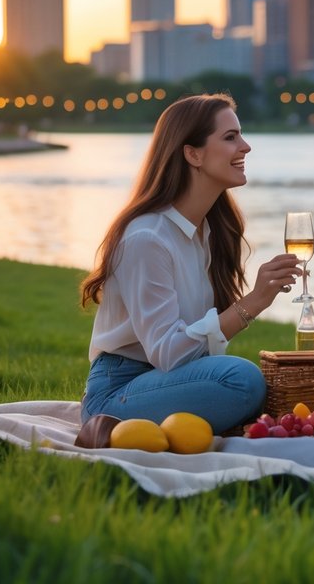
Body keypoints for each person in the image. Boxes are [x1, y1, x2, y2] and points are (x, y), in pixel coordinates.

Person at [79, 94, 301, 434]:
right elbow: (167, 352)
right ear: (192, 153)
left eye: (240, 135)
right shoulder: (147, 238)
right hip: (116, 394)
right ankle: (116, 428)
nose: (246, 147)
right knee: (242, 380)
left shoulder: (208, 231)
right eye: (230, 137)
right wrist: (251, 304)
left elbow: (188, 355)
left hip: (166, 382)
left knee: (276, 382)